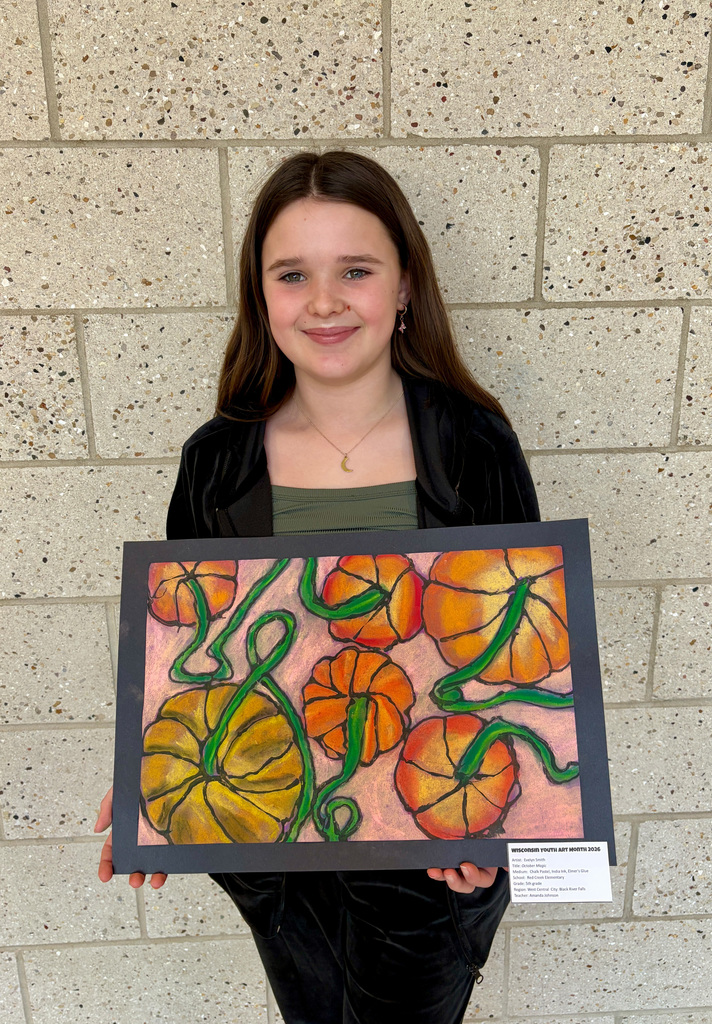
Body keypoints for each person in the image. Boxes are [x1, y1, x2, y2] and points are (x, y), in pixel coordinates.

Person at [96, 150, 539, 1023]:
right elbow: (184, 649)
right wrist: (145, 773)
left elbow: (522, 659)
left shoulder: (471, 445)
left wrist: (507, 826)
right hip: (272, 850)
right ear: (260, 295)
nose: (325, 301)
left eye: (355, 271)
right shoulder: (217, 461)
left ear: (404, 287)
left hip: (428, 865)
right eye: (293, 274)